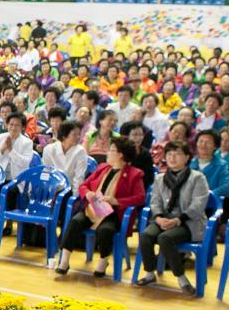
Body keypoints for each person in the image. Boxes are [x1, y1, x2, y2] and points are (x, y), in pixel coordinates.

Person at [56, 138, 146, 278]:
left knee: (105, 230)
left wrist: (116, 201)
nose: (108, 152)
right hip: (93, 208)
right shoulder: (103, 167)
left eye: (111, 150)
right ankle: (64, 260)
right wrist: (88, 194)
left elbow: (140, 198)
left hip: (114, 214)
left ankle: (103, 261)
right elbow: (83, 186)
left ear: (120, 154)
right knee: (75, 222)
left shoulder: (135, 174)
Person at [135, 141, 210, 295]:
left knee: (165, 239)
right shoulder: (160, 178)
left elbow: (199, 204)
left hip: (189, 222)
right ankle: (150, 273)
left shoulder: (197, 178)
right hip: (165, 219)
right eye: (169, 154)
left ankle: (182, 279)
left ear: (187, 157)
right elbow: (155, 201)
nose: (172, 157)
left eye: (177, 154)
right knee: (145, 235)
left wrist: (178, 220)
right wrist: (158, 218)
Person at [42, 120, 88, 188]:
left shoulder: (81, 151)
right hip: (51, 188)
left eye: (79, 134)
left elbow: (79, 178)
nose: (78, 137)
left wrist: (74, 196)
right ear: (64, 135)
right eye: (74, 134)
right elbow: (46, 173)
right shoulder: (49, 149)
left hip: (70, 189)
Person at [0, 112, 34, 181]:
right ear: (7, 125)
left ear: (23, 127)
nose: (13, 128)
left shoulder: (27, 142)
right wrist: (1, 150)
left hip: (16, 179)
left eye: (17, 125)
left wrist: (11, 150)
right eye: (11, 124)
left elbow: (25, 163)